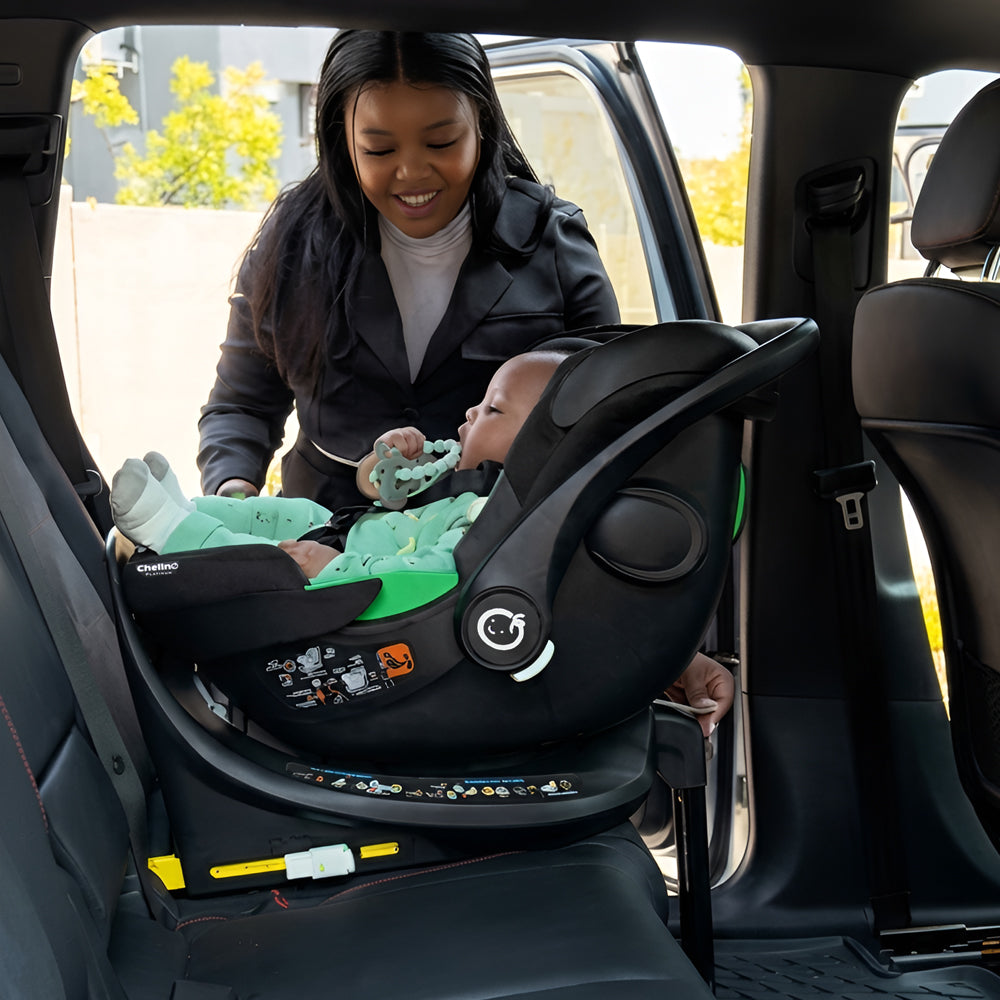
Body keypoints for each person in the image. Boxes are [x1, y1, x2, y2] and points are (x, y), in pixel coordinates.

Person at [125, 351, 734, 735]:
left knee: (275, 562)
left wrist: (338, 567)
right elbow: (384, 495)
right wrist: (385, 465)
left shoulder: (510, 527)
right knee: (299, 512)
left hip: (353, 591)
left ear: (543, 450)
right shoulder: (476, 489)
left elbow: (434, 579)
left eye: (493, 409)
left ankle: (172, 532)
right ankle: (190, 511)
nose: (470, 412)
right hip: (349, 528)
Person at [197, 30, 620, 512]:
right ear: (342, 139)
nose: (412, 172)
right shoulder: (295, 239)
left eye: (441, 142)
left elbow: (607, 410)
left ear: (482, 122)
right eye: (379, 150)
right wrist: (233, 497)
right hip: (318, 531)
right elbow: (243, 405)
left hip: (489, 538)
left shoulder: (553, 241)